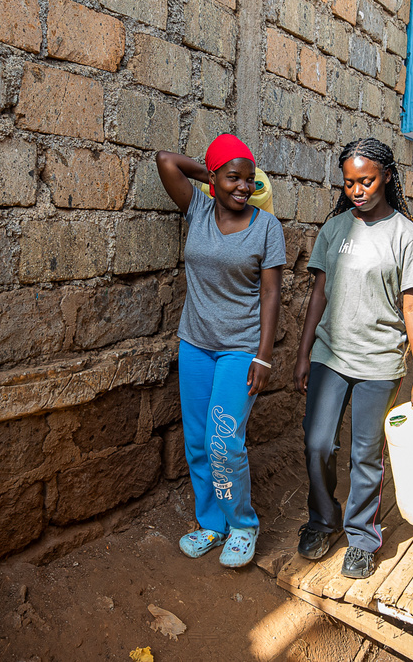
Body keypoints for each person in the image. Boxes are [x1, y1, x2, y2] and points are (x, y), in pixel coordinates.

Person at [293, 137, 413, 579]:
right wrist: (303, 352)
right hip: (330, 355)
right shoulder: (334, 229)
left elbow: (412, 306)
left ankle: (361, 537)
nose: (357, 190)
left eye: (367, 180)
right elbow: (319, 295)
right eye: (350, 182)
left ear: (387, 177)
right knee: (318, 443)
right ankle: (324, 520)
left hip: (379, 362)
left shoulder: (406, 236)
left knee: (365, 453)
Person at [156, 134, 286, 568]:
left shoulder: (267, 227)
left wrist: (263, 355)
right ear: (213, 180)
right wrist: (211, 178)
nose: (244, 188)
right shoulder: (199, 208)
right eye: (234, 178)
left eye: (251, 180)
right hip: (195, 343)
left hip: (240, 349)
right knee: (197, 441)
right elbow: (167, 160)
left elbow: (271, 294)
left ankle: (243, 525)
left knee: (224, 441)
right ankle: (211, 523)